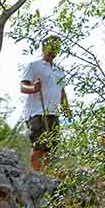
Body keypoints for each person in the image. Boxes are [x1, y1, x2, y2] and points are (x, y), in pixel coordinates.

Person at [20, 35, 71, 171]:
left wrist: (67, 109)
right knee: (39, 146)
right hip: (37, 112)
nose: (53, 50)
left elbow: (62, 91)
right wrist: (34, 88)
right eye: (50, 47)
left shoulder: (59, 70)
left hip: (53, 113)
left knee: (50, 148)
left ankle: (45, 176)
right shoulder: (34, 66)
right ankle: (36, 175)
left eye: (56, 47)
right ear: (43, 47)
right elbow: (23, 87)